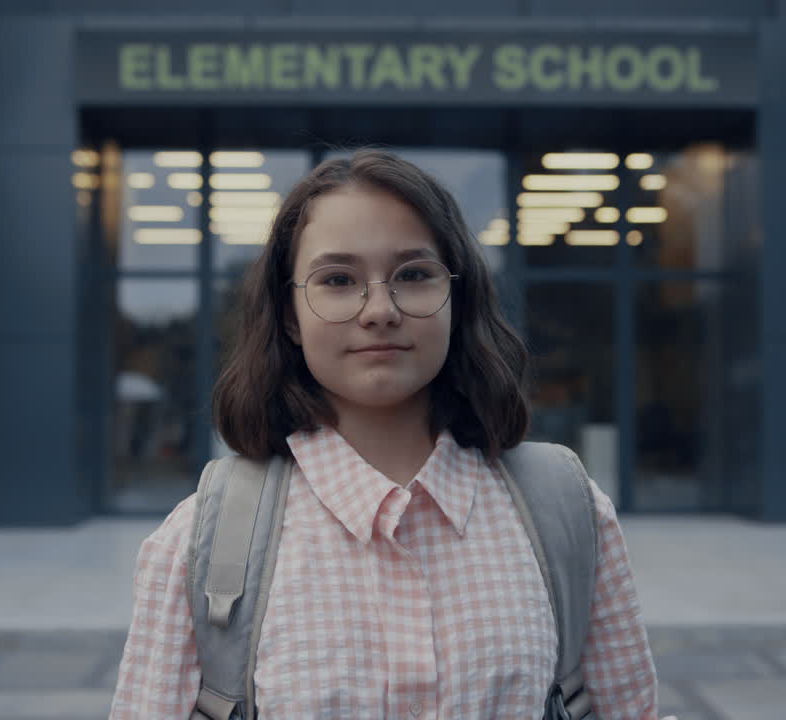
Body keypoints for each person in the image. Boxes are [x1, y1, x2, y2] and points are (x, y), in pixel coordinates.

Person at [109, 148, 660, 719]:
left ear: (457, 298)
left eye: (414, 275)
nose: (379, 310)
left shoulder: (568, 512)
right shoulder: (200, 540)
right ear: (291, 317)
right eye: (339, 279)